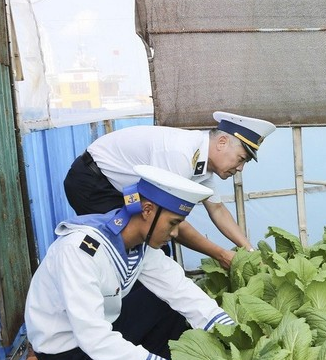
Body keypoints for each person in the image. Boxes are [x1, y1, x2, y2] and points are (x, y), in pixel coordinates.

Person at [26, 165, 237, 360]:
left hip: (99, 339)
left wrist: (234, 335)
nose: (175, 234)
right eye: (173, 223)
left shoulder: (137, 245)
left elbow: (182, 290)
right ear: (147, 210)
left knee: (166, 303)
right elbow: (94, 337)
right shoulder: (79, 251)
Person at [63, 111, 276, 269]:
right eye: (241, 159)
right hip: (94, 182)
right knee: (133, 251)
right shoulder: (180, 154)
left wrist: (249, 251)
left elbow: (218, 210)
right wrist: (220, 254)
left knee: (152, 247)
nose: (240, 168)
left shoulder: (202, 165)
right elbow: (168, 218)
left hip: (121, 190)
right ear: (222, 142)